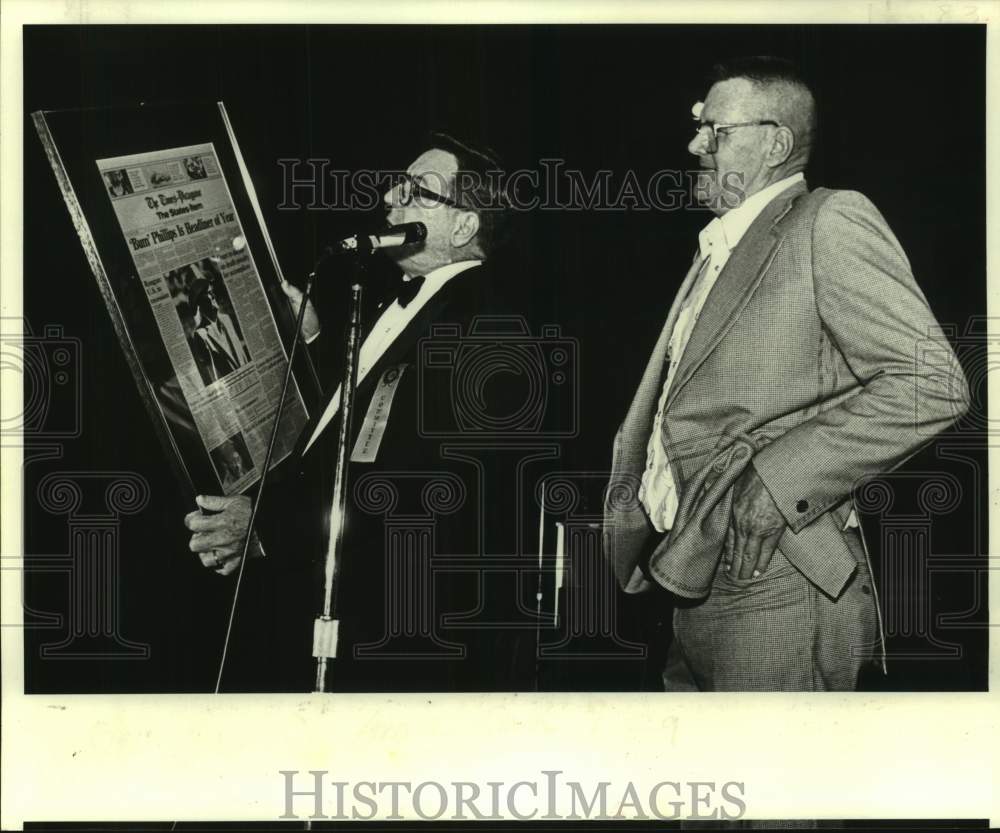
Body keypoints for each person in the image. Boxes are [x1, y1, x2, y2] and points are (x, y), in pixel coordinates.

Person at [602, 57, 970, 691]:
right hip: (694, 571)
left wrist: (778, 481)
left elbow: (929, 383)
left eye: (716, 131)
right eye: (699, 128)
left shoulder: (829, 220)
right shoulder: (720, 248)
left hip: (779, 577)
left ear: (775, 143)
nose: (695, 145)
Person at [183, 134, 532, 691]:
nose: (393, 195)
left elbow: (414, 487)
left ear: (465, 227)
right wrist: (318, 337)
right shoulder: (416, 300)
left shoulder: (481, 329)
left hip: (385, 627)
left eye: (418, 191)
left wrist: (266, 527)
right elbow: (370, 415)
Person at [188, 276, 251, 383]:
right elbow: (211, 372)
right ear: (200, 302)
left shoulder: (227, 319)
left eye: (213, 291)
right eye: (209, 293)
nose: (213, 295)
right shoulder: (200, 335)